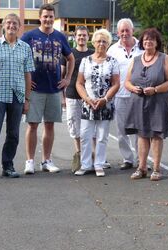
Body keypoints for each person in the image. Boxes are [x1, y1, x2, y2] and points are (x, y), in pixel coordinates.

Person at [0, 14, 35, 181]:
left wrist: (26, 99)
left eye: (15, 23)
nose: (11, 26)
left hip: (17, 97)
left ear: (19, 27)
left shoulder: (25, 47)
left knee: (13, 134)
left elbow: (28, 75)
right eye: (8, 23)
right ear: (3, 26)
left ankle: (8, 165)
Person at [21, 3, 74, 174]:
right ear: (40, 17)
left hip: (53, 89)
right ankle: (29, 161)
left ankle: (46, 160)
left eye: (51, 16)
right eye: (45, 16)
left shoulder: (60, 36)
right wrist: (25, 80)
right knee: (33, 125)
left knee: (49, 125)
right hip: (35, 90)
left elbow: (71, 58)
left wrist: (66, 79)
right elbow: (18, 58)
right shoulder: (29, 36)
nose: (48, 19)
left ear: (54, 18)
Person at [124, 28, 168, 181]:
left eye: (151, 40)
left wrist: (156, 89)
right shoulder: (136, 59)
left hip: (158, 102)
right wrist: (134, 88)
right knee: (142, 134)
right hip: (139, 102)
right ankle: (142, 168)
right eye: (145, 39)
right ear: (142, 42)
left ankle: (157, 168)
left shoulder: (163, 58)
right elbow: (126, 82)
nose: (148, 42)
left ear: (157, 42)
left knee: (157, 135)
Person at [75, 29, 120, 177]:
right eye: (98, 41)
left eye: (104, 41)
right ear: (93, 42)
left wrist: (105, 99)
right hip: (88, 104)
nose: (101, 44)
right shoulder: (85, 61)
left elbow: (116, 84)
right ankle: (86, 164)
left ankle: (99, 164)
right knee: (85, 135)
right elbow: (79, 83)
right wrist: (87, 99)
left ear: (108, 44)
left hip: (105, 104)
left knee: (102, 136)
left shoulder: (113, 62)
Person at [107, 18, 143, 170]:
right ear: (117, 33)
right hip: (120, 96)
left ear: (133, 31)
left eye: (127, 30)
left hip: (139, 95)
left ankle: (141, 159)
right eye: (121, 31)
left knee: (140, 130)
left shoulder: (142, 47)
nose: (124, 33)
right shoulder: (112, 50)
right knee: (122, 130)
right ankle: (128, 159)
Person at [61, 26, 94, 172]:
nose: (81, 38)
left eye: (84, 35)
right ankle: (79, 155)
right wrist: (62, 96)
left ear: (88, 37)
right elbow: (62, 75)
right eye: (79, 35)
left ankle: (93, 156)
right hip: (72, 95)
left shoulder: (92, 54)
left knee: (91, 128)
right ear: (75, 37)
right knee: (75, 127)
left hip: (90, 97)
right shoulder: (68, 54)